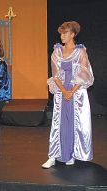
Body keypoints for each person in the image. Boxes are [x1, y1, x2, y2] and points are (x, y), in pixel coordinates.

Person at [42, 21, 94, 169]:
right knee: (58, 123)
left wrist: (72, 90)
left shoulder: (80, 51)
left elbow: (84, 74)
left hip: (76, 92)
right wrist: (64, 91)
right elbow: (55, 75)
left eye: (65, 33)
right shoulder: (57, 51)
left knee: (73, 123)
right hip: (62, 91)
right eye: (61, 33)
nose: (62, 36)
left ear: (72, 34)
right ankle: (53, 156)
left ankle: (70, 154)